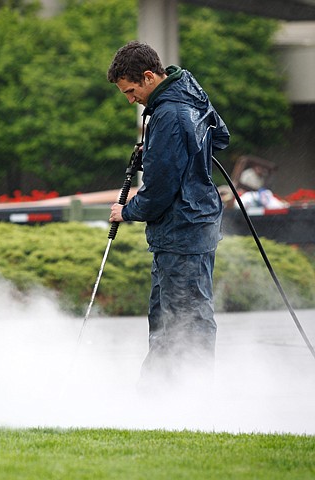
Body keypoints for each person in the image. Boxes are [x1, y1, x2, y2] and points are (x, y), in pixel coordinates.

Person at [106, 41, 230, 391]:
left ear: (148, 77)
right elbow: (220, 136)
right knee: (174, 318)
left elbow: (158, 192)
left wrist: (126, 210)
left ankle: (178, 399)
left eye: (131, 91)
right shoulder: (189, 93)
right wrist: (172, 147)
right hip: (194, 225)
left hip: (182, 230)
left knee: (183, 322)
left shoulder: (169, 114)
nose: (130, 99)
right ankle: (163, 398)